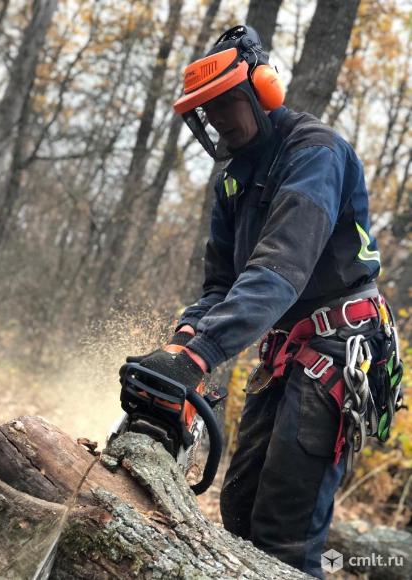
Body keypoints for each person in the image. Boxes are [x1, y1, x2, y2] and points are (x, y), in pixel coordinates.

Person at [124, 25, 403, 579]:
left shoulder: (314, 154)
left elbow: (279, 270)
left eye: (224, 103)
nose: (216, 119)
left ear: (263, 89)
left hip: (336, 348)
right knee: (239, 508)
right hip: (284, 350)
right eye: (206, 109)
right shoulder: (233, 179)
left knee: (283, 534)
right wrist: (180, 347)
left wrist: (201, 355)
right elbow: (220, 286)